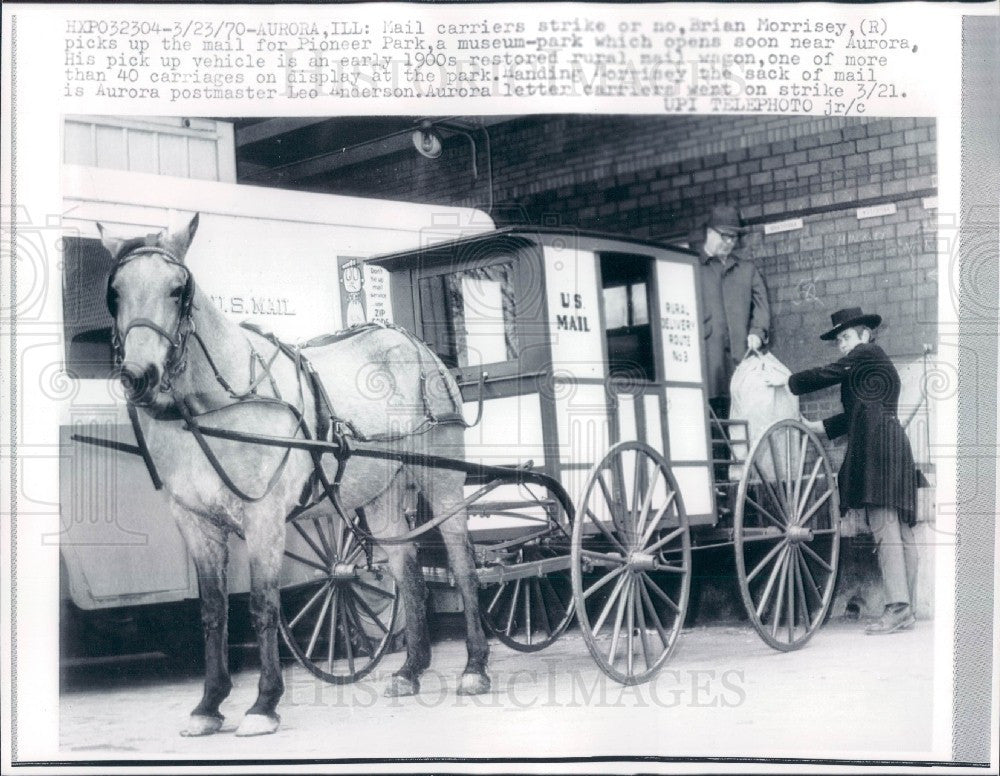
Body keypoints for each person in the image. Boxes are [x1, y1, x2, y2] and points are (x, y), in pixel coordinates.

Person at [767, 307, 919, 635]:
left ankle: (897, 607)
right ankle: (907, 607)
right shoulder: (867, 368)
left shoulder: (866, 353)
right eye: (838, 340)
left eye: (846, 337)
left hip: (878, 447)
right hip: (891, 443)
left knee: (883, 523)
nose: (842, 344)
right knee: (897, 525)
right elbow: (850, 416)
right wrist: (811, 425)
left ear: (865, 335)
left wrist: (788, 382)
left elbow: (827, 374)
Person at [696, 204, 770, 419]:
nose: (729, 243)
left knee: (742, 422)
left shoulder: (747, 270)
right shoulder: (691, 268)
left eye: (734, 238)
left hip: (741, 361)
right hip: (707, 365)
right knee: (712, 428)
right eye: (725, 236)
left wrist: (757, 332)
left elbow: (762, 306)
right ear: (710, 232)